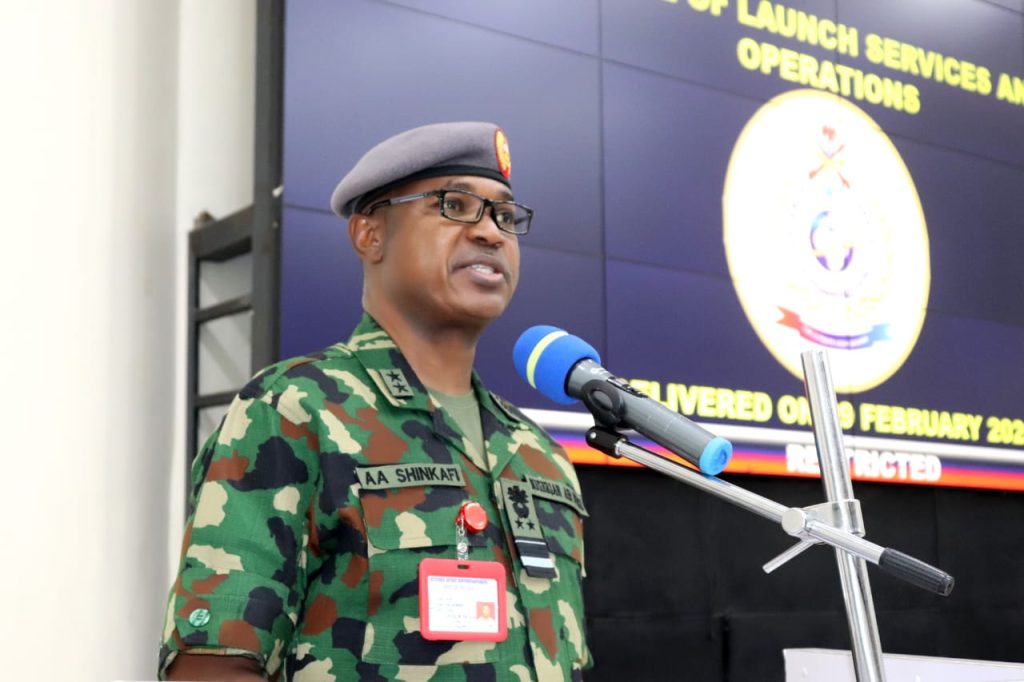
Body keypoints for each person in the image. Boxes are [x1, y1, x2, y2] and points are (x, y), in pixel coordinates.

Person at [160, 122, 593, 681]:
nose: (491, 232)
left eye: (505, 216)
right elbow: (211, 666)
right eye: (455, 205)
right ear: (370, 235)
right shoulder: (295, 410)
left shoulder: (538, 454)